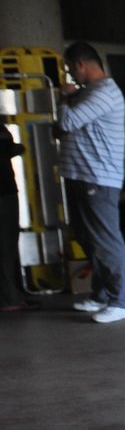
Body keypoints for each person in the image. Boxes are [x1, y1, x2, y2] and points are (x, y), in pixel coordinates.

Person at [58, 42, 125, 323]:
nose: (70, 75)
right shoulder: (89, 91)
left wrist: (64, 99)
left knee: (105, 239)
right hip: (81, 175)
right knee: (87, 237)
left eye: (70, 69)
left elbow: (67, 123)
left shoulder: (105, 92)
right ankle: (102, 294)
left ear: (81, 64)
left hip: (98, 178)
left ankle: (123, 301)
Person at [0, 124, 34, 312]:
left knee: (7, 245)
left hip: (6, 190)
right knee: (6, 246)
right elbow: (10, 149)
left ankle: (10, 296)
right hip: (3, 191)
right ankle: (8, 299)